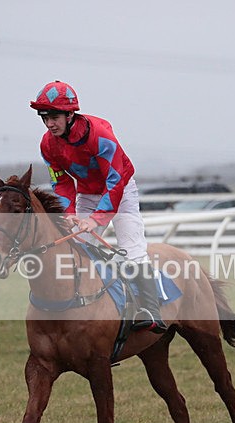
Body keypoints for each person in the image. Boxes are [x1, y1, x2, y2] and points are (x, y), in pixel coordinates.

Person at [29, 80, 167, 333]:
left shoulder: (100, 135)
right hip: (88, 193)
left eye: (55, 117)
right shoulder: (47, 144)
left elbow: (115, 180)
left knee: (132, 248)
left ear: (70, 114)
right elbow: (61, 183)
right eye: (44, 117)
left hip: (121, 190)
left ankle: (151, 311)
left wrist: (97, 218)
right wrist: (68, 215)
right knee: (80, 247)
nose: (49, 124)